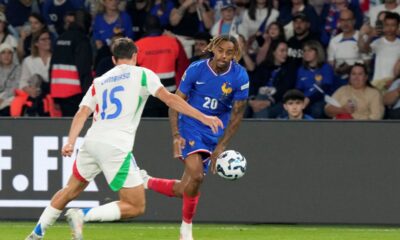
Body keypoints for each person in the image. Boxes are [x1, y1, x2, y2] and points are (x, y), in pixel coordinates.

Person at [25, 37, 223, 240]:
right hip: (115, 146)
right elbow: (171, 99)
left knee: (69, 190)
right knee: (135, 206)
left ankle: (36, 233)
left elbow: (82, 113)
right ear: (136, 56)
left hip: (91, 143)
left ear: (113, 59)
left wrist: (70, 141)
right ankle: (83, 215)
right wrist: (202, 116)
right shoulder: (143, 74)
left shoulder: (99, 82)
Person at [140, 35, 249, 240]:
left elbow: (237, 115)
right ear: (212, 49)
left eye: (229, 52)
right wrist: (175, 135)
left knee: (186, 188)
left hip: (214, 132)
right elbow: (174, 102)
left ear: (235, 54)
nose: (224, 55)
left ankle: (146, 181)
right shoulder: (196, 69)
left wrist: (221, 146)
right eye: (220, 50)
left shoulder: (240, 76)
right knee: (197, 175)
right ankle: (186, 230)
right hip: (190, 126)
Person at [49, 9, 93, 117]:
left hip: (58, 90)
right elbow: (84, 69)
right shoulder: (82, 40)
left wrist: (54, 95)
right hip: (75, 92)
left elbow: (52, 66)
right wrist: (88, 96)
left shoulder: (61, 38)